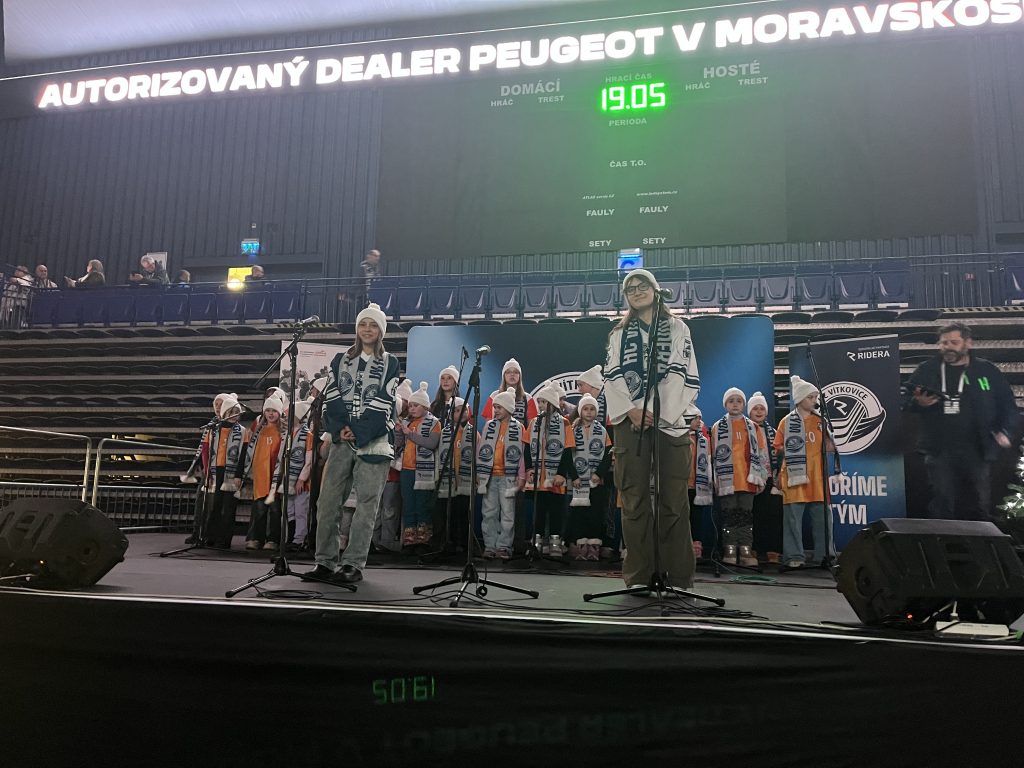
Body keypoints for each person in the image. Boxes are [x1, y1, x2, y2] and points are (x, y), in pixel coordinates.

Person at [604, 268, 700, 589]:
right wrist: (631, 410)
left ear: (656, 290)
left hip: (669, 421)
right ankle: (639, 575)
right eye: (630, 288)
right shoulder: (618, 333)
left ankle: (678, 576)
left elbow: (681, 370)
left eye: (642, 285)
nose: (637, 291)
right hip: (630, 422)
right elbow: (612, 374)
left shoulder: (677, 327)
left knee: (674, 501)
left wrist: (657, 411)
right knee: (633, 500)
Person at [303, 302, 400, 585]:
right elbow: (331, 396)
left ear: (381, 331)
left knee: (367, 505)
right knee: (328, 501)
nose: (367, 329)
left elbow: (385, 401)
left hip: (374, 441)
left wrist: (359, 431)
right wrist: (340, 428)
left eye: (373, 325)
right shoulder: (340, 360)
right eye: (363, 324)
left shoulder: (390, 362)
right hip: (342, 440)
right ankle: (324, 561)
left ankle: (353, 563)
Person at [905, 321, 1019, 521]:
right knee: (942, 502)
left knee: (979, 502)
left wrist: (1005, 431)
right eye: (944, 343)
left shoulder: (986, 370)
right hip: (939, 449)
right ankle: (942, 538)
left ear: (968, 343)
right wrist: (918, 403)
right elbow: (904, 399)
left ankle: (981, 538)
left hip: (977, 448)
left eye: (954, 342)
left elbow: (1007, 404)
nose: (948, 347)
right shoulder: (927, 369)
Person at [773, 375, 836, 569]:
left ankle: (824, 555)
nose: (814, 401)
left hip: (817, 476)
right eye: (810, 397)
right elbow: (778, 448)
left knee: (823, 518)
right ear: (800, 399)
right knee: (792, 518)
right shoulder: (786, 422)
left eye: (815, 397)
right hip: (793, 476)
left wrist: (830, 439)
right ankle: (794, 556)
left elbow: (830, 448)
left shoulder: (820, 421)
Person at [711, 388, 768, 567]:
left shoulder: (753, 427)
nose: (735, 404)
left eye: (738, 401)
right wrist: (714, 478)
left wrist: (762, 477)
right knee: (728, 514)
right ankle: (729, 548)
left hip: (748, 480)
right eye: (731, 401)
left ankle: (745, 549)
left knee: (745, 515)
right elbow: (713, 455)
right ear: (725, 405)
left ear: (743, 404)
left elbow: (762, 453)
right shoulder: (717, 427)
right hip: (727, 480)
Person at [525, 382, 577, 557]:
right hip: (538, 478)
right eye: (539, 402)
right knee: (539, 510)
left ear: (553, 403)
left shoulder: (564, 423)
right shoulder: (534, 422)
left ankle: (555, 542)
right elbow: (527, 447)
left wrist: (562, 473)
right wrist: (529, 468)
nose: (540, 405)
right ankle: (537, 541)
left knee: (556, 510)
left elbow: (567, 450)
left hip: (556, 477)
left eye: (544, 402)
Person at [477, 388, 526, 560]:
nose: (496, 410)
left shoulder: (518, 427)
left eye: (499, 407)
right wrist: (479, 472)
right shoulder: (489, 426)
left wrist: (521, 476)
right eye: (495, 407)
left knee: (507, 513)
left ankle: (504, 546)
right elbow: (481, 450)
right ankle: (490, 546)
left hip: (508, 477)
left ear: (509, 408)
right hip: (490, 476)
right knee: (489, 512)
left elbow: (522, 453)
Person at [566, 394, 612, 561]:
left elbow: (608, 455)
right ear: (580, 411)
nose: (589, 412)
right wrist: (574, 476)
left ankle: (594, 547)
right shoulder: (573, 430)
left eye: (592, 409)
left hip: (596, 481)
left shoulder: (602, 431)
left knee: (596, 513)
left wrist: (599, 474)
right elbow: (567, 455)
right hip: (579, 481)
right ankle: (581, 546)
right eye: (585, 408)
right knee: (579, 514)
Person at [398, 381, 442, 550]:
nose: (412, 409)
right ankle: (410, 538)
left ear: (425, 406)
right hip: (407, 469)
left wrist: (410, 434)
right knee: (408, 504)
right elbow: (399, 444)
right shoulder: (407, 422)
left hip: (423, 470)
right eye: (410, 406)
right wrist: (398, 432)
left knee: (422, 505)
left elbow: (431, 443)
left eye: (416, 405)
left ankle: (423, 539)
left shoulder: (434, 423)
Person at [239, 393, 286, 551]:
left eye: (274, 411)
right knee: (259, 508)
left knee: (275, 509)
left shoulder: (284, 430)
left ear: (279, 412)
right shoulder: (258, 429)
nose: (271, 414)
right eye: (268, 410)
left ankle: (273, 539)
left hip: (275, 474)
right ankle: (255, 537)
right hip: (260, 475)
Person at [204, 394, 245, 549]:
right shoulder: (213, 430)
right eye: (230, 412)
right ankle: (210, 536)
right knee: (214, 506)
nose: (234, 415)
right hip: (216, 471)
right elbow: (207, 453)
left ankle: (225, 539)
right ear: (224, 413)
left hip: (232, 473)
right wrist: (207, 473)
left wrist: (239, 475)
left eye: (236, 412)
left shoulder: (243, 431)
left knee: (228, 507)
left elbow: (243, 455)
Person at [748, 391, 783, 561]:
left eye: (762, 408)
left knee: (773, 515)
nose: (759, 411)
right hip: (752, 477)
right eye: (755, 408)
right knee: (755, 515)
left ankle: (773, 550)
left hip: (771, 479)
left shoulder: (773, 432)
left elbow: (779, 455)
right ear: (750, 411)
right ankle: (755, 548)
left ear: (767, 412)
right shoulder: (746, 430)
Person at [284, 400, 315, 550]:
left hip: (302, 481)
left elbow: (309, 461)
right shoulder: (288, 434)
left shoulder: (307, 435)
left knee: (301, 510)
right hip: (289, 479)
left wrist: (302, 479)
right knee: (289, 510)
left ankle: (300, 539)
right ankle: (291, 537)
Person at [482, 358, 539, 425]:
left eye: (516, 372)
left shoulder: (528, 398)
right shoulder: (494, 396)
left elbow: (532, 426)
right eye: (508, 372)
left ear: (519, 376)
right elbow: (488, 423)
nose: (512, 374)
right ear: (504, 376)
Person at [688, 408, 712, 560]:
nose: (698, 421)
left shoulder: (703, 440)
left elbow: (708, 461)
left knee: (696, 517)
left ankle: (696, 545)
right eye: (694, 418)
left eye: (700, 418)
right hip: (681, 485)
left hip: (697, 486)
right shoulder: (677, 437)